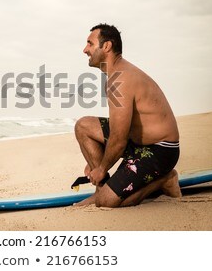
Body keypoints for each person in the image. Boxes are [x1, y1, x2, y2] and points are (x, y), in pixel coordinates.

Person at [74, 23, 182, 207]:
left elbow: (118, 139)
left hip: (161, 150)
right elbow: (119, 130)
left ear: (106, 46)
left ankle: (165, 179)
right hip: (137, 141)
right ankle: (100, 190)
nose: (85, 49)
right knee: (83, 126)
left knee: (107, 202)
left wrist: (101, 168)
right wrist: (94, 161)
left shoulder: (121, 79)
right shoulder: (115, 75)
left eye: (90, 44)